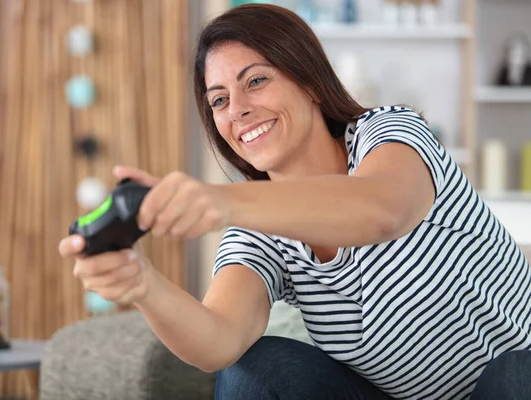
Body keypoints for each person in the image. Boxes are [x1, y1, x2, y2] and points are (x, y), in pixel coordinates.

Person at [58, 4, 531, 400]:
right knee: (256, 367)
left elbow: (382, 211)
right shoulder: (259, 226)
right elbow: (218, 340)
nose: (237, 108)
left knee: (511, 375)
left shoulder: (389, 133)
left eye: (256, 81)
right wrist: (143, 285)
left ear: (308, 81)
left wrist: (221, 201)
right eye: (218, 100)